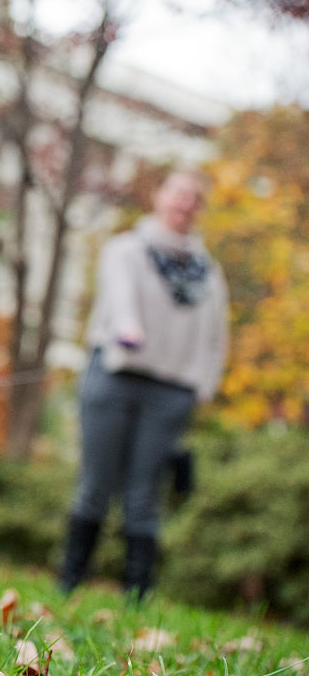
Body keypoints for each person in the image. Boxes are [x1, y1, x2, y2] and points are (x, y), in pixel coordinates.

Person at [59, 170, 229, 598]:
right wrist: (129, 327)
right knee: (95, 485)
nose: (185, 202)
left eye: (194, 197)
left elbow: (216, 335)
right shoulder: (127, 250)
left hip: (171, 391)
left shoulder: (209, 273)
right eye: (178, 192)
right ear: (158, 196)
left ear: (200, 208)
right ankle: (68, 582)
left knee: (144, 494)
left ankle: (137, 593)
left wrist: (203, 385)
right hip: (114, 373)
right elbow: (120, 296)